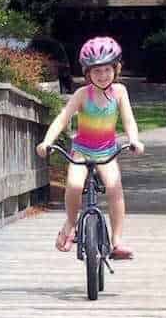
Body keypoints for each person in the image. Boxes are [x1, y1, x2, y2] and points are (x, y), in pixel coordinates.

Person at [36, 36, 145, 259]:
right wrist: (47, 141)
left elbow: (129, 120)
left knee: (115, 189)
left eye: (107, 70)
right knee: (74, 185)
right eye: (96, 71)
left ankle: (116, 240)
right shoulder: (82, 94)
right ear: (87, 74)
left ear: (116, 69)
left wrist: (135, 140)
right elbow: (62, 119)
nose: (103, 75)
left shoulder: (120, 92)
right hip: (82, 151)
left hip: (107, 152)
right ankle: (70, 224)